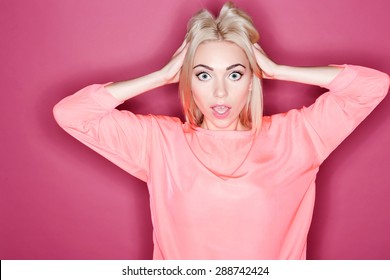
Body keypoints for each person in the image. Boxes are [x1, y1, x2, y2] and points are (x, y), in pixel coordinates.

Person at [53, 2, 389, 259]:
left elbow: (373, 86)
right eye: (202, 75)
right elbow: (72, 114)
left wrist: (277, 69)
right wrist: (164, 74)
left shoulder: (299, 136)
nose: (219, 93)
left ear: (251, 79)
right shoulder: (159, 143)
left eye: (234, 74)